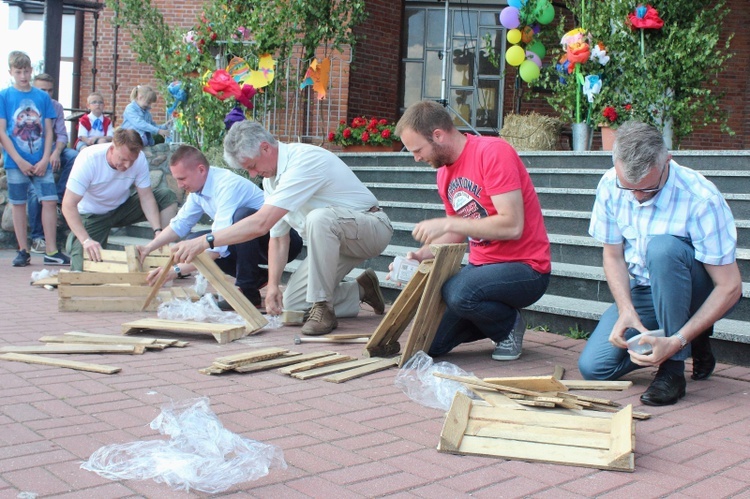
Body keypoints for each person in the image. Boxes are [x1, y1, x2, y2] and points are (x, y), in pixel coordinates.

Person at [170, 120, 394, 335]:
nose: (253, 174)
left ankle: (323, 310)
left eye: (252, 166)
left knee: (320, 218)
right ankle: (362, 289)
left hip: (370, 228)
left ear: (265, 148)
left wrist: (205, 240)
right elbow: (277, 237)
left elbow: (261, 223)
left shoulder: (303, 160)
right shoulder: (270, 181)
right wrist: (273, 287)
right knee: (293, 304)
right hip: (335, 241)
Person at [578, 120, 742, 406]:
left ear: (668, 160)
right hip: (646, 290)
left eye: (649, 190)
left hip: (694, 288)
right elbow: (613, 255)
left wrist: (676, 342)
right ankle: (696, 333)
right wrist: (625, 309)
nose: (638, 198)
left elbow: (730, 287)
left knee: (663, 248)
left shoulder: (701, 198)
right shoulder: (610, 184)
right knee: (594, 368)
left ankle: (673, 370)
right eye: (629, 188)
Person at [395, 100, 551, 361]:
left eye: (418, 149)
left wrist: (449, 222)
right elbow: (454, 236)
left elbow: (512, 225)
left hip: (527, 268)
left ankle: (509, 326)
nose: (417, 158)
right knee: (430, 344)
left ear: (438, 135)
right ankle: (490, 316)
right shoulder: (444, 174)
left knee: (458, 292)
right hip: (481, 270)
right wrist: (420, 256)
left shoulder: (493, 152)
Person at [138, 144, 303, 309]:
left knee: (240, 218)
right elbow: (180, 225)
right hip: (252, 244)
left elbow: (217, 246)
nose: (180, 185)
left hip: (284, 240)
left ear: (201, 170)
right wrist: (148, 248)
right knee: (193, 240)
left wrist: (175, 270)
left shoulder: (226, 185)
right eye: (176, 179)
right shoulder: (198, 190)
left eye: (182, 178)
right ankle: (257, 278)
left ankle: (247, 291)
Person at [61, 128, 178, 271]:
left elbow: (146, 197)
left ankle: (162, 259)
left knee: (166, 196)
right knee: (83, 271)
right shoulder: (89, 158)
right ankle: (74, 242)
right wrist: (86, 240)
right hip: (92, 215)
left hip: (122, 208)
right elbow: (68, 205)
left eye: (131, 161)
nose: (127, 165)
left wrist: (158, 231)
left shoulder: (139, 159)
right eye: (123, 159)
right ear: (111, 149)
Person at [0, 51, 69, 267]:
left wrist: (46, 158)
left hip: (40, 160)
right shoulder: (4, 96)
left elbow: (49, 130)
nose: (23, 75)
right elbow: (3, 132)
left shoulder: (42, 97)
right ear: (11, 72)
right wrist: (18, 160)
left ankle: (51, 250)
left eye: (26, 71)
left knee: (49, 200)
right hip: (15, 162)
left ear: (31, 70)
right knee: (18, 204)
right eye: (18, 71)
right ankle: (23, 250)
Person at [26, 73, 79, 255]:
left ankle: (58, 199)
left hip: (53, 148)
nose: (47, 94)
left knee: (74, 156)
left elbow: (62, 135)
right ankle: (37, 237)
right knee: (34, 192)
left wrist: (55, 152)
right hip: (33, 151)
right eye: (43, 90)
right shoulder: (27, 106)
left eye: (50, 90)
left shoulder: (56, 106)